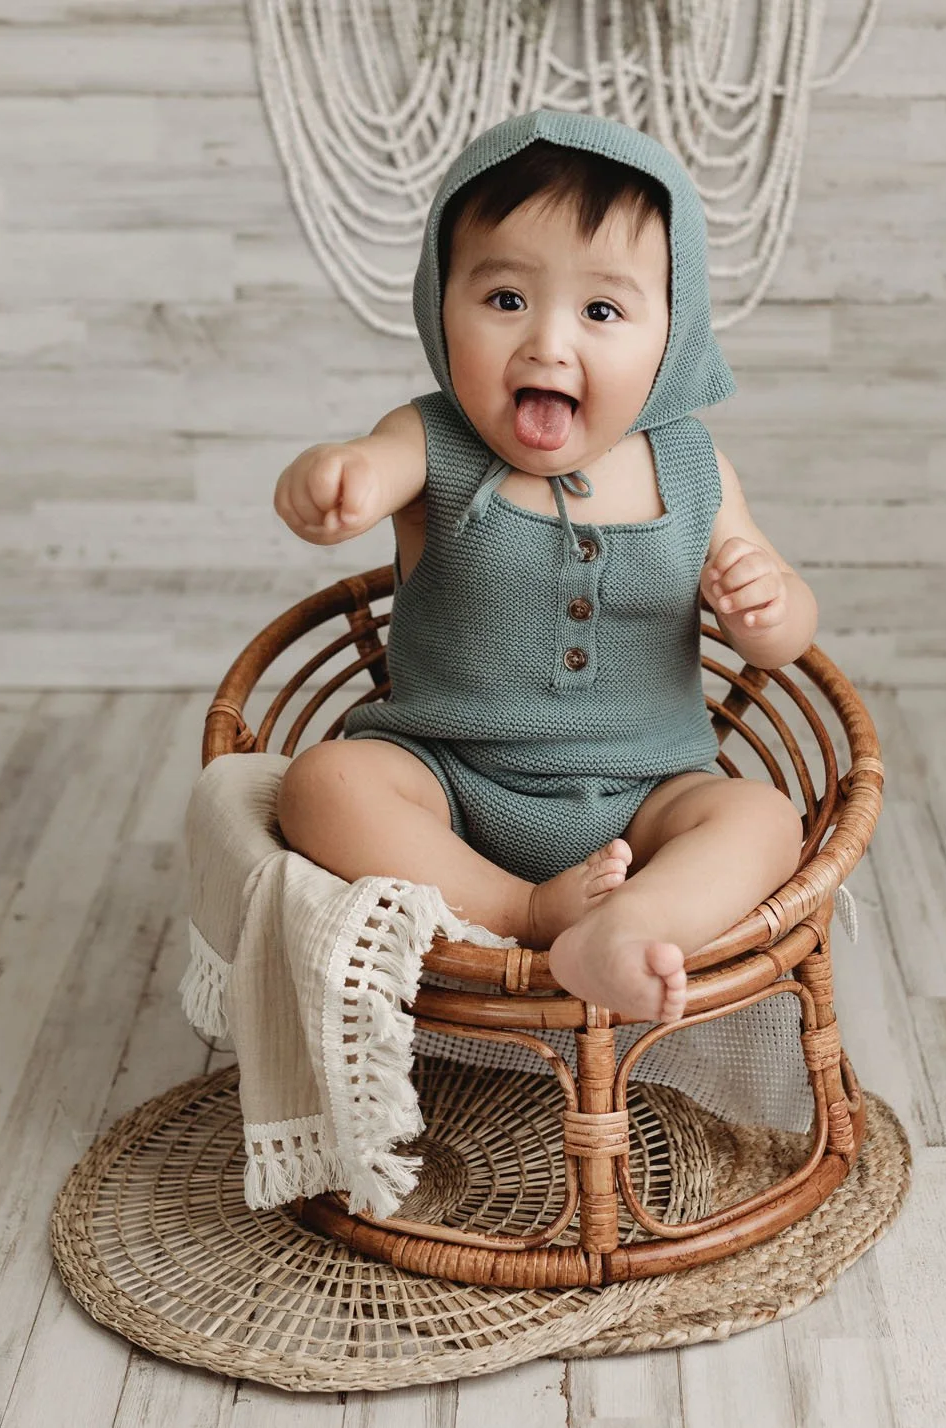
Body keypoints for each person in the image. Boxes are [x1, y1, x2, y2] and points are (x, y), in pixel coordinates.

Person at [270, 109, 818, 1025]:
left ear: (671, 337)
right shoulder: (434, 440)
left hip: (646, 798)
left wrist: (767, 607)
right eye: (506, 299)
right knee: (322, 784)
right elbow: (372, 468)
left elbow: (786, 629)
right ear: (440, 306)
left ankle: (630, 923)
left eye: (601, 310)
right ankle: (522, 913)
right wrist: (336, 480)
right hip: (446, 779)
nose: (547, 344)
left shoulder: (692, 468)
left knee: (763, 819)